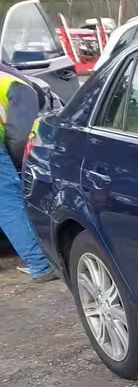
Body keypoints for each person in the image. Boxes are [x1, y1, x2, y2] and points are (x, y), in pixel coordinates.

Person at [0, 62, 57, 281]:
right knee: (8, 202)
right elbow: (21, 135)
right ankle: (41, 264)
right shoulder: (16, 84)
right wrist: (19, 162)